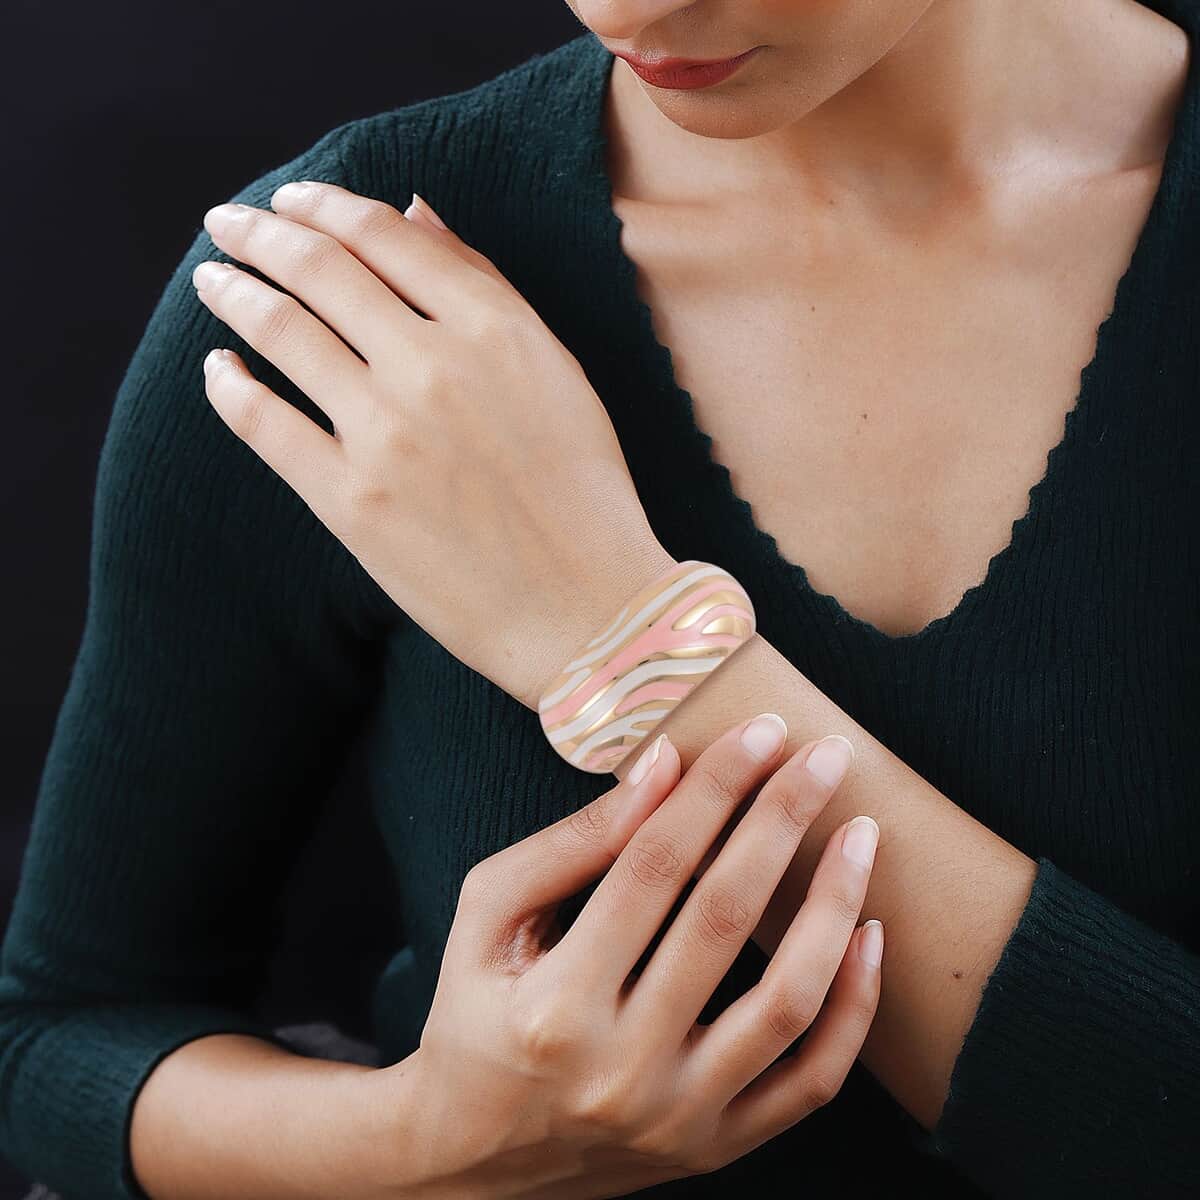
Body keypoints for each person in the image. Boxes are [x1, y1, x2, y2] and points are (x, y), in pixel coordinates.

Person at [3, 0, 1198, 1196]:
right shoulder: (343, 295)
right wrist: (429, 1141)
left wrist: (613, 632)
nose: (630, 6)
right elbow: (53, 1037)